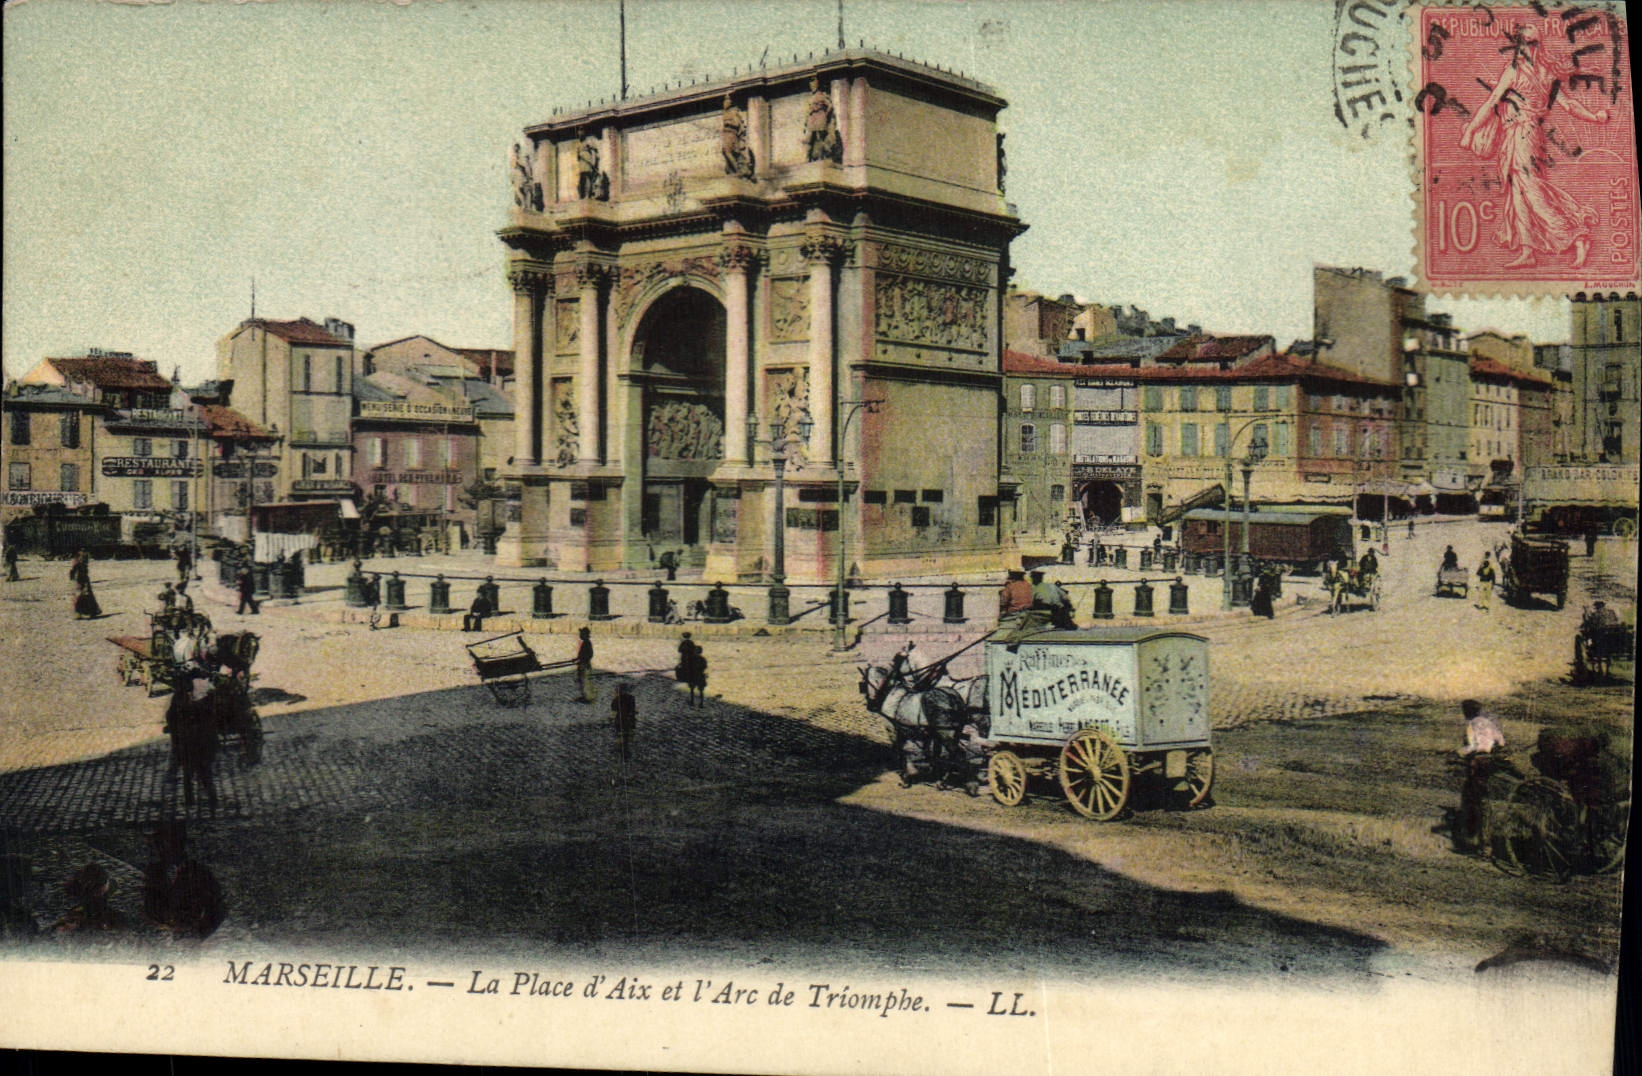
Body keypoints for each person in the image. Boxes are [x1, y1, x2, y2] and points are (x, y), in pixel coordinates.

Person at [1458, 22, 1610, 270]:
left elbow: (1567, 104)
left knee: (1531, 191)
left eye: (1532, 43)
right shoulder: (1525, 73)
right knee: (1519, 192)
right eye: (1524, 43)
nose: (1527, 48)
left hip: (1525, 136)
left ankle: (1576, 234)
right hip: (1518, 135)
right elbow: (1493, 103)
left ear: (1536, 46)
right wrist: (1472, 129)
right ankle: (1527, 250)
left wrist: (1594, 117)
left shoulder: (1530, 74)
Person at [1454, 699, 1508, 853]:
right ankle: (1486, 843)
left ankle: (1478, 842)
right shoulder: (1490, 723)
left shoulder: (1471, 725)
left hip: (1477, 764)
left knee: (1473, 801)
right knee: (1485, 804)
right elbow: (1502, 742)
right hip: (1490, 763)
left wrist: (1458, 752)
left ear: (1467, 712)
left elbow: (1472, 747)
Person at [676, 632, 708, 708]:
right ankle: (701, 703)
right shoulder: (702, 658)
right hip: (700, 675)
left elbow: (679, 650)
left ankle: (692, 701)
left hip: (691, 672)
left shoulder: (683, 643)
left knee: (692, 689)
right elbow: (705, 666)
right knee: (701, 690)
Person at [610, 682, 637, 764]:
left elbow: (613, 709)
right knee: (627, 734)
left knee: (620, 733)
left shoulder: (616, 699)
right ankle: (625, 749)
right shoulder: (631, 698)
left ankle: (621, 749)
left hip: (620, 719)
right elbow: (633, 709)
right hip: (629, 719)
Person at [574, 627, 594, 703]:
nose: (580, 635)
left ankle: (587, 697)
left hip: (584, 665)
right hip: (582, 664)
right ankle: (584, 696)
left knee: (585, 681)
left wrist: (581, 659)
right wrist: (577, 659)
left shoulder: (587, 643)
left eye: (581, 634)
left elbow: (590, 654)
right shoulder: (585, 642)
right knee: (581, 680)